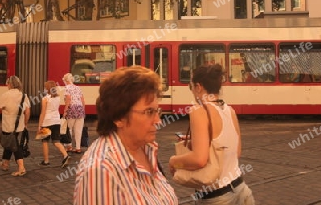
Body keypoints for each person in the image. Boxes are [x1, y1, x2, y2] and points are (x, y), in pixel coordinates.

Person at [73, 66, 178, 205]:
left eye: (157, 111)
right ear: (119, 117)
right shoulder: (100, 172)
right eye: (149, 112)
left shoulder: (146, 148)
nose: (158, 121)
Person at [169, 64, 254, 205]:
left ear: (199, 86)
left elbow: (199, 159)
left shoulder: (199, 111)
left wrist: (173, 161)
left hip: (217, 197)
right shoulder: (230, 111)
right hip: (241, 190)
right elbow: (235, 151)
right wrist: (199, 140)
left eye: (191, 87)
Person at [0, 75, 30, 177]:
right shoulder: (24, 95)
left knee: (14, 145)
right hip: (19, 126)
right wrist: (25, 124)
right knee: (10, 142)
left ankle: (21, 168)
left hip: (9, 125)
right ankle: (5, 164)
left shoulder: (6, 95)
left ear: (9, 84)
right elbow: (27, 112)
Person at [37, 80, 70, 167]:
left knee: (45, 141)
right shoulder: (58, 98)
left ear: (47, 88)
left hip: (46, 122)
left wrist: (39, 125)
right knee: (56, 141)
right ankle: (65, 155)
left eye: (45, 87)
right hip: (56, 121)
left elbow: (43, 113)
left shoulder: (45, 99)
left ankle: (46, 161)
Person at [62, 73, 86, 154]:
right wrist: (83, 110)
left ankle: (69, 146)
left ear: (66, 80)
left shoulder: (66, 88)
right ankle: (78, 148)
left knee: (69, 129)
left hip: (71, 109)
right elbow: (82, 100)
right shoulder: (78, 87)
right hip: (80, 109)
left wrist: (65, 111)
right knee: (78, 130)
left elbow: (68, 99)